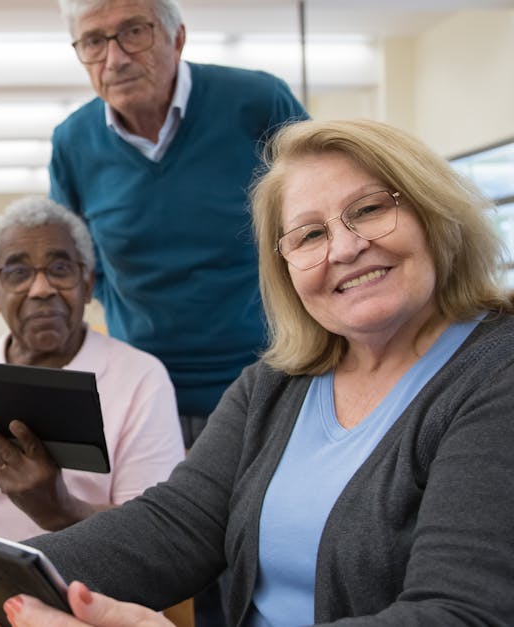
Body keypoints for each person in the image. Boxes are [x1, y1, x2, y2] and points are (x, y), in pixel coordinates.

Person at [0, 119, 514, 627]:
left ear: (435, 215)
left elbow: (468, 615)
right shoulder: (277, 384)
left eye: (370, 208)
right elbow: (172, 525)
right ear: (287, 267)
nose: (347, 247)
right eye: (310, 234)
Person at [49, 0, 308, 449]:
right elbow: (78, 261)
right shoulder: (72, 142)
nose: (115, 58)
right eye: (93, 41)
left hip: (273, 378)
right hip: (144, 394)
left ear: (178, 38)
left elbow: (322, 213)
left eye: (134, 32)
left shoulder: (258, 102)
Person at [0, 195, 185, 554]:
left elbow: (152, 536)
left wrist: (57, 507)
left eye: (60, 269)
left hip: (87, 593)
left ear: (87, 284)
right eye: (18, 273)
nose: (41, 289)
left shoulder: (141, 378)